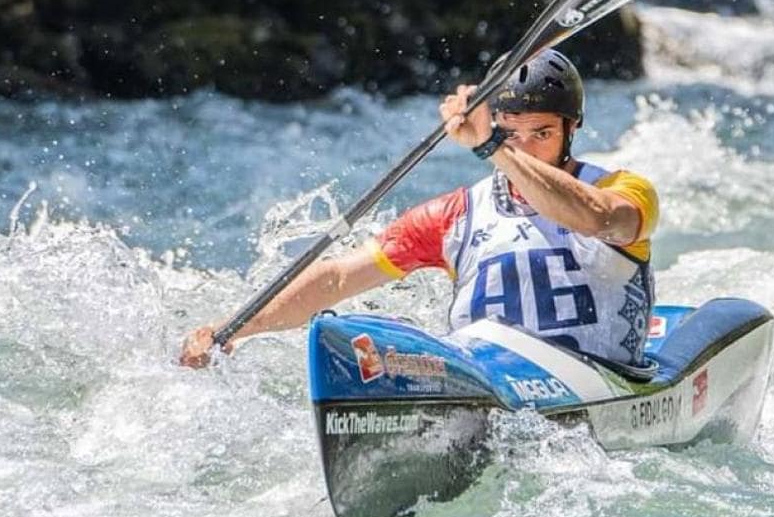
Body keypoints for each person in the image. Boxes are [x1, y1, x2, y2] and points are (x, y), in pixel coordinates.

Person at [180, 49, 658, 369]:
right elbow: (339, 278)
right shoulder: (456, 216)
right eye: (514, 133)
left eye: (543, 134)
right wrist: (234, 328)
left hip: (598, 378)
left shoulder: (624, 191)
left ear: (571, 128)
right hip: (491, 383)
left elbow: (595, 218)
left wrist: (493, 144)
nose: (527, 149)